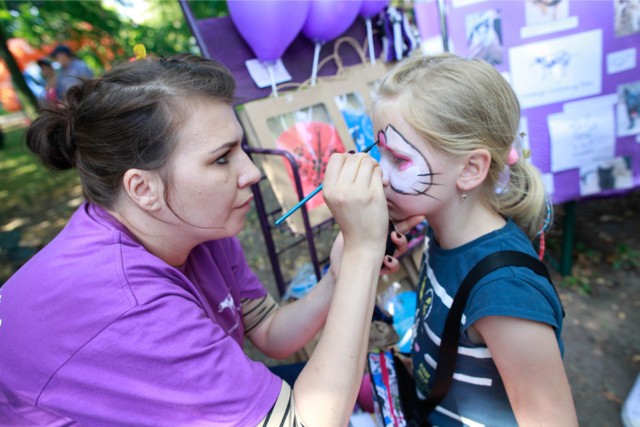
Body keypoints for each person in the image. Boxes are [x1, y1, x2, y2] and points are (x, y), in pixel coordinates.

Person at [0, 54, 423, 425]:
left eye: (242, 149)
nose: (252, 174)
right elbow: (306, 422)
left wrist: (342, 269)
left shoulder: (190, 225)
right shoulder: (128, 307)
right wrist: (365, 253)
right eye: (222, 158)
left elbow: (272, 333)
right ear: (143, 189)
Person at [371, 53, 578, 426]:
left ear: (469, 169)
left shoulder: (505, 295)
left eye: (398, 160)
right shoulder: (441, 228)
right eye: (378, 152)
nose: (379, 175)